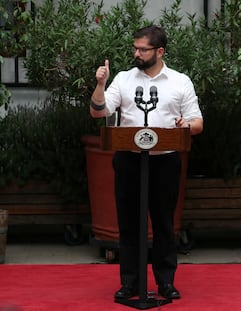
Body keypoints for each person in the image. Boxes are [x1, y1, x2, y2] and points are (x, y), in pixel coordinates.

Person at [89, 25, 203, 300]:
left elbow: (197, 122)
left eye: (143, 49)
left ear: (160, 51)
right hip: (129, 161)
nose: (137, 53)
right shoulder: (124, 79)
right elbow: (98, 112)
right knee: (129, 223)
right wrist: (101, 85)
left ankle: (165, 282)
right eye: (135, 48)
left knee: (164, 223)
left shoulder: (179, 81)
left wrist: (185, 125)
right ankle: (131, 282)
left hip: (165, 162)